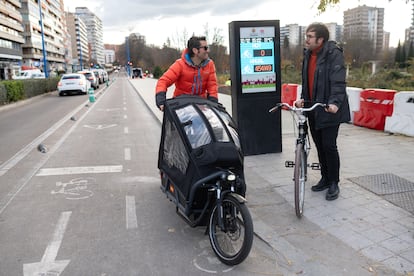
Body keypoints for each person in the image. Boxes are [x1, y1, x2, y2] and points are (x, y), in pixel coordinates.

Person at [295, 22, 350, 201]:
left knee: (329, 145)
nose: (307, 40)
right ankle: (325, 178)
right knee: (319, 145)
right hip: (313, 107)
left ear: (320, 39)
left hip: (329, 109)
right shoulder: (308, 54)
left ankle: (334, 182)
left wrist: (334, 103)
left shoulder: (333, 54)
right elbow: (307, 81)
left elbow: (338, 82)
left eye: (310, 37)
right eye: (306, 36)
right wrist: (303, 97)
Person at [155, 36, 218, 111]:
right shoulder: (180, 64)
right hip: (181, 106)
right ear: (195, 50)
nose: (208, 50)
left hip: (201, 106)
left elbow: (212, 86)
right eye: (205, 48)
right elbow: (163, 81)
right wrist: (161, 101)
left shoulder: (210, 64)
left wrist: (213, 103)